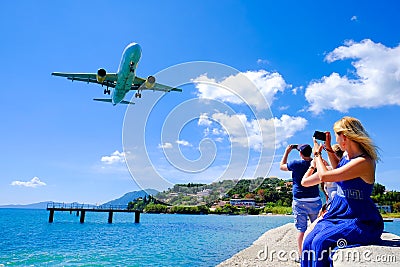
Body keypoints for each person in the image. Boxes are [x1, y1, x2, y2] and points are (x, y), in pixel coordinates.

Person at [301, 117, 383, 267]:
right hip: (340, 213)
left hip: (359, 218)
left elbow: (324, 176)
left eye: (337, 137)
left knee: (321, 241)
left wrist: (317, 155)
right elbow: (339, 168)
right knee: (308, 241)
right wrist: (328, 148)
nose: (337, 141)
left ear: (344, 137)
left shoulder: (364, 162)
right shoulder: (347, 157)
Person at [280, 144, 322, 260]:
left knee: (301, 230)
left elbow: (282, 166)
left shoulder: (296, 164)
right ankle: (318, 253)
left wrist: (287, 151)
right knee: (316, 228)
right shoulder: (316, 163)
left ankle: (302, 256)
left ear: (300, 153)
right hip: (314, 200)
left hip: (300, 201)